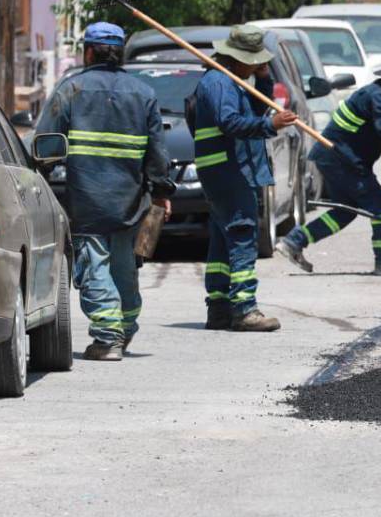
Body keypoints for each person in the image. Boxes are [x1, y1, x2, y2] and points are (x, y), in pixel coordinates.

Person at [37, 22, 174, 361]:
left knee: (94, 266)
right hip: (131, 202)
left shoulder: (71, 90)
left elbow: (44, 144)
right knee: (124, 268)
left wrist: (36, 176)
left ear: (88, 51)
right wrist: (160, 192)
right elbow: (158, 152)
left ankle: (107, 337)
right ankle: (124, 331)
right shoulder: (143, 93)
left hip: (88, 200)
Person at [276, 50, 381, 275]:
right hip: (340, 158)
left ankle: (294, 242)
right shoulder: (378, 96)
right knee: (379, 204)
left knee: (345, 212)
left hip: (340, 158)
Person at [192, 26, 299, 332]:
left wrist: (264, 78)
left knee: (223, 241)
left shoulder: (234, 81)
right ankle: (244, 309)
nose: (255, 66)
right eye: (253, 61)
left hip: (233, 171)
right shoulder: (218, 82)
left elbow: (254, 108)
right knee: (242, 234)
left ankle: (219, 309)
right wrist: (271, 125)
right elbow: (230, 122)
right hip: (227, 171)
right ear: (237, 57)